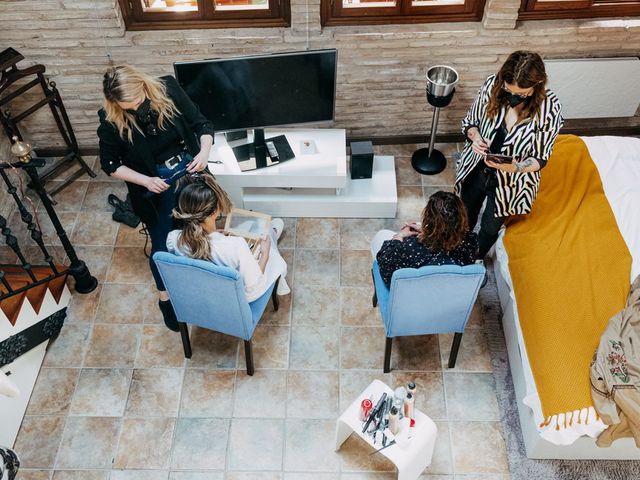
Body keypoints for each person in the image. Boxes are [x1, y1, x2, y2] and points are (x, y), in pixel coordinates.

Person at [98, 65, 228, 331]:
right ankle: (165, 299)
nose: (133, 109)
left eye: (136, 102)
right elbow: (110, 164)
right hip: (155, 182)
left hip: (190, 167)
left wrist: (204, 153)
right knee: (161, 243)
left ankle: (205, 275)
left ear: (143, 86)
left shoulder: (167, 88)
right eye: (126, 106)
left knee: (201, 224)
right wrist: (146, 181)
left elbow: (201, 123)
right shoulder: (111, 119)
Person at [457, 50, 564, 258]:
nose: (513, 97)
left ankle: (475, 257)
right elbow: (470, 122)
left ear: (538, 84)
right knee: (465, 214)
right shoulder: (492, 85)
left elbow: (540, 158)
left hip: (510, 183)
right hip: (477, 167)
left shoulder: (550, 109)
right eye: (509, 90)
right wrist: (475, 138)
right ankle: (460, 248)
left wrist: (515, 167)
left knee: (489, 227)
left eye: (521, 94)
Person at [166, 174, 289, 302]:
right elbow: (254, 286)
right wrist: (265, 255)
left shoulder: (173, 239)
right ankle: (273, 232)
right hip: (242, 297)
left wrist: (213, 235)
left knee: (264, 236)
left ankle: (273, 231)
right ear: (214, 211)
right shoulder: (236, 246)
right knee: (269, 244)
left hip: (207, 293)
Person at [372, 191, 478, 287]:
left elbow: (386, 272)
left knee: (382, 235)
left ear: (429, 219)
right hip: (447, 296)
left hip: (411, 299)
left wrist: (398, 236)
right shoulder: (471, 241)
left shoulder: (407, 249)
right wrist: (428, 231)